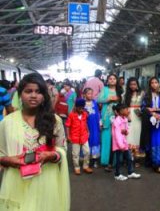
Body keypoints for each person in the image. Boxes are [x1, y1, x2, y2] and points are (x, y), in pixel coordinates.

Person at [0, 73, 70, 210]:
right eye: (28, 91)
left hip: (47, 182)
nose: (33, 95)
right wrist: (9, 160)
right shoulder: (7, 123)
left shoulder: (54, 121)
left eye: (38, 92)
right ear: (20, 95)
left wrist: (52, 155)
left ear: (44, 96)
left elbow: (62, 149)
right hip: (16, 182)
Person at [141, 77, 160, 173]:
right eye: (152, 83)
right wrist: (152, 113)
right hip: (150, 123)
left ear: (158, 83)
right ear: (150, 85)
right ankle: (154, 163)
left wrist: (158, 111)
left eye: (156, 82)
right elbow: (143, 108)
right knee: (152, 142)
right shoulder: (146, 96)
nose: (154, 84)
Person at [98, 74, 122, 170]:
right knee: (106, 139)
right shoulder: (105, 89)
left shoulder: (120, 90)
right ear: (107, 81)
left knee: (117, 138)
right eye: (110, 79)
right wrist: (108, 99)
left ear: (116, 80)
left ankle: (116, 161)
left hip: (117, 116)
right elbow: (98, 99)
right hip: (106, 117)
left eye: (114, 79)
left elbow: (123, 102)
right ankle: (105, 160)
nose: (112, 80)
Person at [112, 103, 141, 181]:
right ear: (121, 111)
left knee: (129, 158)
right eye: (126, 109)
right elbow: (117, 135)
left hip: (124, 143)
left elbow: (126, 129)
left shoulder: (124, 119)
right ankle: (117, 174)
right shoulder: (116, 121)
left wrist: (126, 132)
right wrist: (121, 146)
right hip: (119, 145)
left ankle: (130, 172)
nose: (128, 110)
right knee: (119, 160)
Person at [65, 98, 93, 175]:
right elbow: (67, 126)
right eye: (79, 108)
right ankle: (77, 167)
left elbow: (85, 123)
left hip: (84, 135)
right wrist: (68, 136)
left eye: (82, 108)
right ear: (76, 107)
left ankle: (85, 166)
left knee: (87, 151)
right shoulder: (71, 115)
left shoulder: (85, 114)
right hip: (75, 137)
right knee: (75, 154)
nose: (81, 110)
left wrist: (88, 131)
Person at [123, 77, 144, 162]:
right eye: (131, 84)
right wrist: (127, 115)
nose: (133, 86)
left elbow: (145, 104)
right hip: (129, 114)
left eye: (134, 84)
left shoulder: (142, 93)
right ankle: (129, 157)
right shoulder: (125, 94)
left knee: (138, 133)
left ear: (137, 84)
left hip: (139, 115)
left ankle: (137, 157)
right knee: (129, 134)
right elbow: (124, 106)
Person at [83, 88, 101, 167]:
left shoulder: (95, 102)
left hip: (95, 126)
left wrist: (100, 123)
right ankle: (87, 159)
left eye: (91, 93)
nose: (90, 95)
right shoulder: (83, 104)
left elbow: (98, 114)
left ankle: (94, 160)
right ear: (84, 95)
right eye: (88, 94)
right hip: (86, 125)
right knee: (87, 140)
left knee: (95, 140)